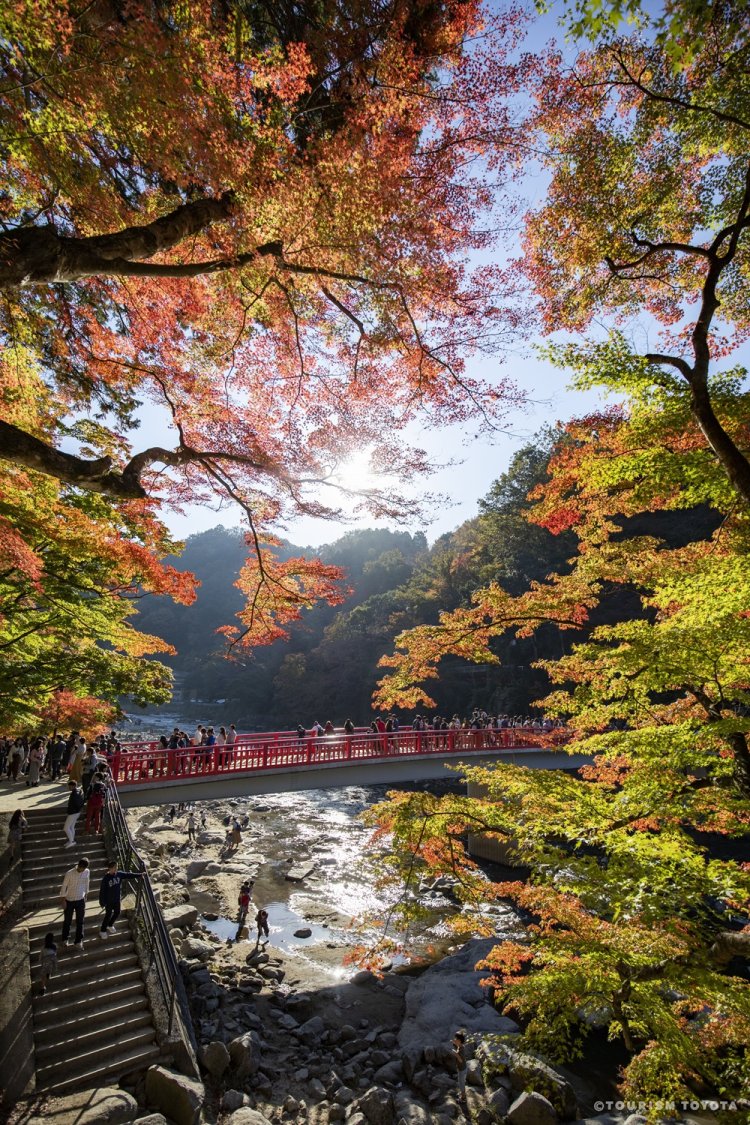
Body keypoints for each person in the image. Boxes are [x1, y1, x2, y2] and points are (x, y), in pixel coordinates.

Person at [98, 860, 143, 936]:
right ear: (110, 868)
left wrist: (140, 874)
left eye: (117, 867)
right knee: (108, 915)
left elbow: (129, 875)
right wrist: (102, 902)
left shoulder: (119, 874)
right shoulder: (106, 879)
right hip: (109, 901)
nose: (116, 868)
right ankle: (102, 930)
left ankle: (110, 925)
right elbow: (102, 891)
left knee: (117, 912)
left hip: (117, 899)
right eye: (115, 867)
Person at [60, 857, 90, 948]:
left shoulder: (87, 871)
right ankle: (65, 939)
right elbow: (64, 886)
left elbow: (86, 882)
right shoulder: (69, 873)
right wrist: (63, 900)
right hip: (69, 900)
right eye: (81, 868)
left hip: (80, 899)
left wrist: (86, 895)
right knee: (67, 921)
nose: (82, 870)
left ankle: (78, 941)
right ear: (78, 865)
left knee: (80, 921)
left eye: (84, 869)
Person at [63, 780, 85, 847]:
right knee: (72, 826)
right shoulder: (79, 791)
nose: (68, 787)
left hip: (73, 812)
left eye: (69, 786)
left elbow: (76, 803)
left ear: (73, 786)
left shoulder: (74, 794)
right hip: (77, 812)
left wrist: (72, 810)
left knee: (66, 828)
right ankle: (71, 840)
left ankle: (72, 841)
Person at [452, 1029, 467, 1101]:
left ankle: (463, 1098)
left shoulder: (462, 1049)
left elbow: (460, 1060)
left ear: (459, 1040)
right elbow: (456, 1046)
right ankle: (462, 1093)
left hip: (462, 1069)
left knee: (461, 1084)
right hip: (461, 1068)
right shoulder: (460, 1046)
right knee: (460, 1081)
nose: (454, 1039)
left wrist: (456, 1054)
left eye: (455, 1039)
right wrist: (454, 1043)